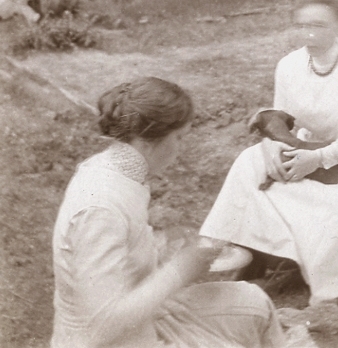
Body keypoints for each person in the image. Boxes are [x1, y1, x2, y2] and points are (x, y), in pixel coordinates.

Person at [51, 76, 285, 348]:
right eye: (179, 138)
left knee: (253, 302)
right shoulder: (100, 208)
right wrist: (179, 270)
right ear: (148, 141)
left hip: (139, 324)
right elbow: (100, 327)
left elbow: (122, 257)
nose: (180, 149)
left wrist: (164, 252)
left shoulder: (122, 171)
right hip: (106, 342)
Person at [199, 0, 338, 307]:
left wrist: (318, 158)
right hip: (301, 149)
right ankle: (227, 248)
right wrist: (271, 145)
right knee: (248, 162)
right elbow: (280, 120)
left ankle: (333, 284)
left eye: (319, 25)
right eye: (302, 26)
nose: (309, 34)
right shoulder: (288, 65)